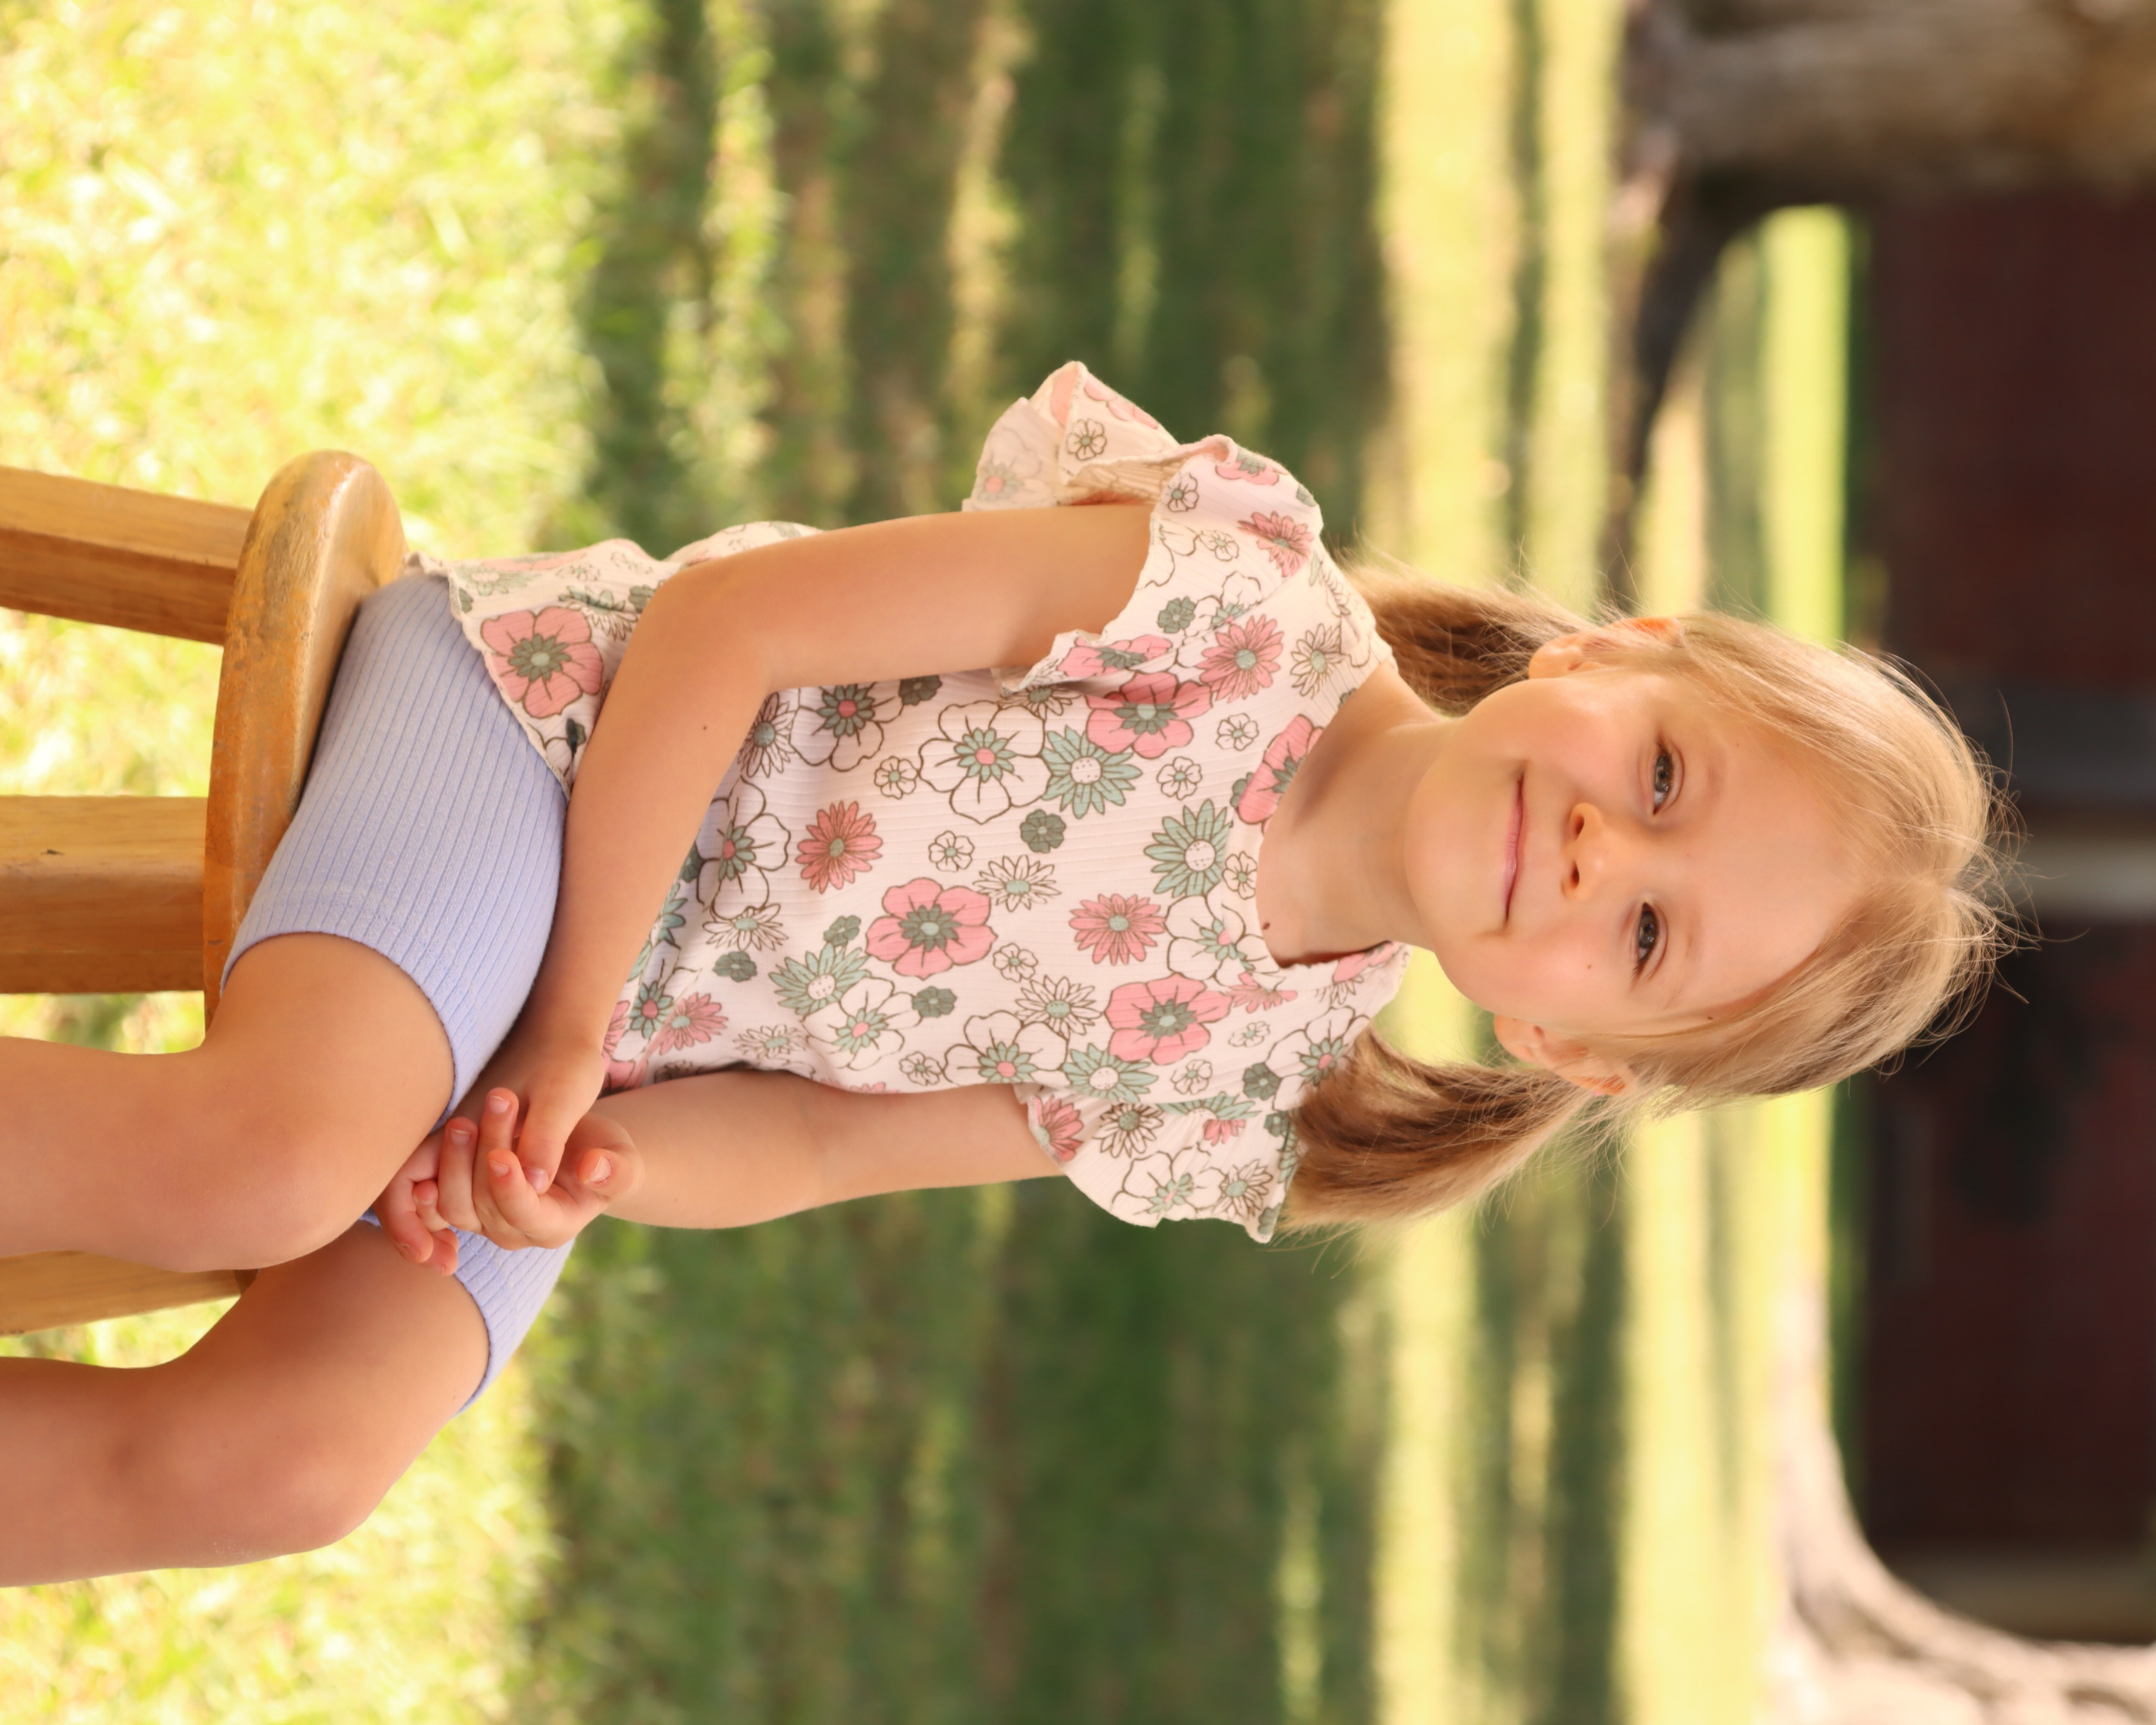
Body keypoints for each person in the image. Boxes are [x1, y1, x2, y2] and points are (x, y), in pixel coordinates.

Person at [0, 363, 2005, 1586]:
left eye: (1647, 932)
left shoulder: (1233, 1076)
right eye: (1662, 779)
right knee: (272, 1160)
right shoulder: (1227, 607)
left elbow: (811, 1143)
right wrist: (570, 1022)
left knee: (290, 1465)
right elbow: (724, 629)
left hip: (572, 1051)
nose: (1597, 853)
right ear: (1614, 652)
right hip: (544, 741)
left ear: (1570, 1038)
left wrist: (580, 1164)